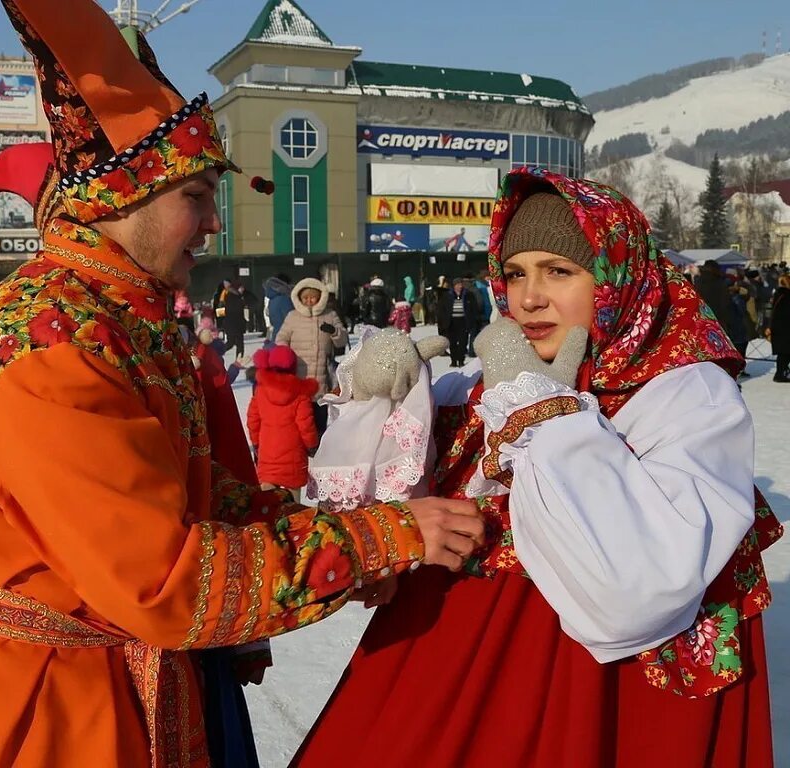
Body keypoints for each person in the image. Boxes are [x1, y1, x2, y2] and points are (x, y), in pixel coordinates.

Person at [0, 4, 478, 767]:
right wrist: (381, 539)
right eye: (195, 198)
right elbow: (166, 579)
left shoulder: (123, 319)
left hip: (103, 687)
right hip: (40, 712)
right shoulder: (51, 346)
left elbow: (200, 492)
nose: (213, 226)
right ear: (118, 198)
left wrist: (353, 538)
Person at [295, 169, 781, 767]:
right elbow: (381, 506)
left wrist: (546, 417)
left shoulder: (684, 392)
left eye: (559, 270)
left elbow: (648, 580)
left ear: (616, 276)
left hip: (594, 685)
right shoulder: (486, 383)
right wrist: (386, 393)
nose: (528, 297)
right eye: (516, 273)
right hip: (451, 667)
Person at [275, 278, 348, 437]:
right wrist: (285, 356)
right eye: (305, 298)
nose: (309, 301)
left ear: (320, 297)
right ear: (299, 299)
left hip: (322, 377)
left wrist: (334, 331)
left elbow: (342, 340)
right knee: (300, 418)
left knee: (319, 418)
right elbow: (281, 338)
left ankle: (319, 448)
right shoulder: (292, 316)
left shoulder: (330, 314)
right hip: (299, 378)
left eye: (312, 297)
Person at [247, 345, 318, 503]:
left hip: (267, 451)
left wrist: (256, 442)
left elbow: (253, 420)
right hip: (293, 455)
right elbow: (305, 424)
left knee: (266, 499)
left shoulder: (261, 391)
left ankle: (268, 523)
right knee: (293, 503)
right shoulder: (300, 393)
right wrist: (312, 445)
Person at [438, 277, 478, 367]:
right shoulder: (448, 295)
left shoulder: (468, 295)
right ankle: (453, 360)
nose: (460, 286)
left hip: (463, 321)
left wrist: (472, 320)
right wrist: (442, 322)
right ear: (454, 285)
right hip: (451, 322)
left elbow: (473, 308)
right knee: (452, 343)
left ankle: (461, 360)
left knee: (463, 342)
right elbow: (442, 309)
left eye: (461, 284)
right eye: (458, 284)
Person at [769, 274, 790, 382]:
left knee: (784, 353)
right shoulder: (786, 295)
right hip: (784, 329)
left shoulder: (778, 294)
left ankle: (783, 372)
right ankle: (780, 374)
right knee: (784, 353)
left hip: (779, 328)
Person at [263, 273, 294, 339]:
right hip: (286, 335)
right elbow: (290, 318)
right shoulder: (285, 299)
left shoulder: (272, 299)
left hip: (277, 333)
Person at [223, 281, 247, 357]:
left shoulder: (234, 296)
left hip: (234, 324)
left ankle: (239, 360)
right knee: (233, 343)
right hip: (234, 324)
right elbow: (235, 311)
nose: (243, 289)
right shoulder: (233, 297)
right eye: (241, 288)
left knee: (236, 343)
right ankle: (217, 352)